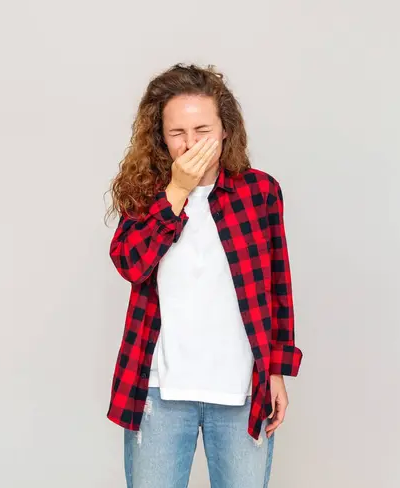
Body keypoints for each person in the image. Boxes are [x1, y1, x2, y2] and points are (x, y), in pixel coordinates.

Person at [105, 63, 303, 488]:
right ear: (161, 137)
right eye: (178, 133)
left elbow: (277, 287)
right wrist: (176, 190)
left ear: (225, 129)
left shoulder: (260, 192)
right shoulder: (147, 194)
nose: (191, 144)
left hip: (240, 390)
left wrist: (276, 371)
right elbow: (130, 264)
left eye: (202, 130)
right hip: (158, 389)